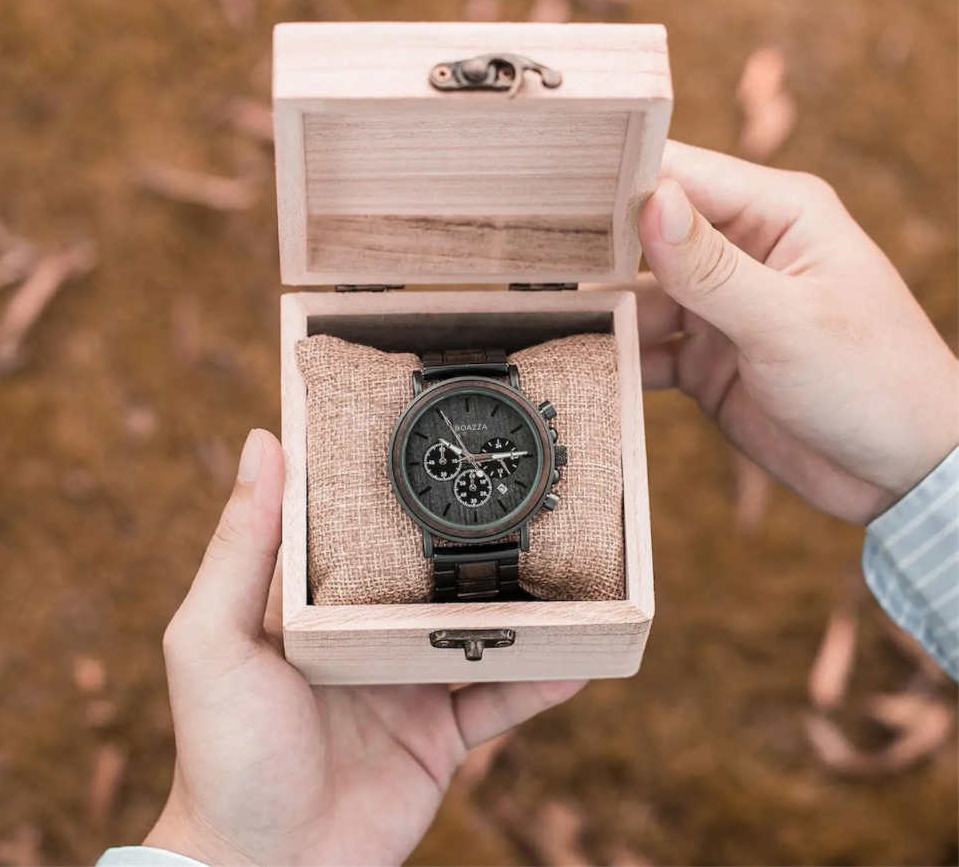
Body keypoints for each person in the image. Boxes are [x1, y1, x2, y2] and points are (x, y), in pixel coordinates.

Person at [98, 142, 958, 867]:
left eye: (503, 448)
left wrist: (220, 848)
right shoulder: (455, 444)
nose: (479, 454)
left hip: (486, 495)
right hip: (442, 493)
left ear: (543, 447)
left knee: (464, 489)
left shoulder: (535, 445)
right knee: (446, 487)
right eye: (463, 446)